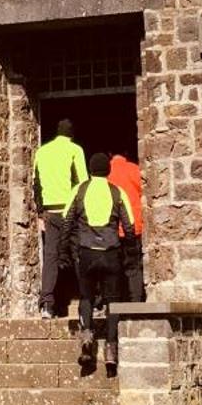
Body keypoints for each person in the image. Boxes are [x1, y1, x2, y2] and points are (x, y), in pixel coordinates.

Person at [61, 153, 135, 376]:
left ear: (91, 169)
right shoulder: (116, 191)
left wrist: (65, 251)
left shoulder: (80, 190)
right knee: (113, 301)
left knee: (86, 297)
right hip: (111, 253)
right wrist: (129, 254)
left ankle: (86, 335)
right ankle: (111, 350)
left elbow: (67, 220)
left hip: (86, 252)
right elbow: (129, 226)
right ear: (107, 171)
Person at [32, 117, 87, 317]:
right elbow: (82, 184)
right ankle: (85, 303)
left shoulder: (41, 151)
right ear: (71, 135)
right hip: (69, 211)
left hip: (49, 212)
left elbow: (36, 184)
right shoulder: (75, 150)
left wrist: (39, 214)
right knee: (78, 254)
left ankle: (47, 303)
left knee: (50, 256)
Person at [109, 147, 145, 300]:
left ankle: (114, 300)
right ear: (127, 153)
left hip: (112, 227)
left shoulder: (105, 172)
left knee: (113, 267)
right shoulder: (136, 170)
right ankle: (136, 300)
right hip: (134, 225)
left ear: (109, 154)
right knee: (134, 266)